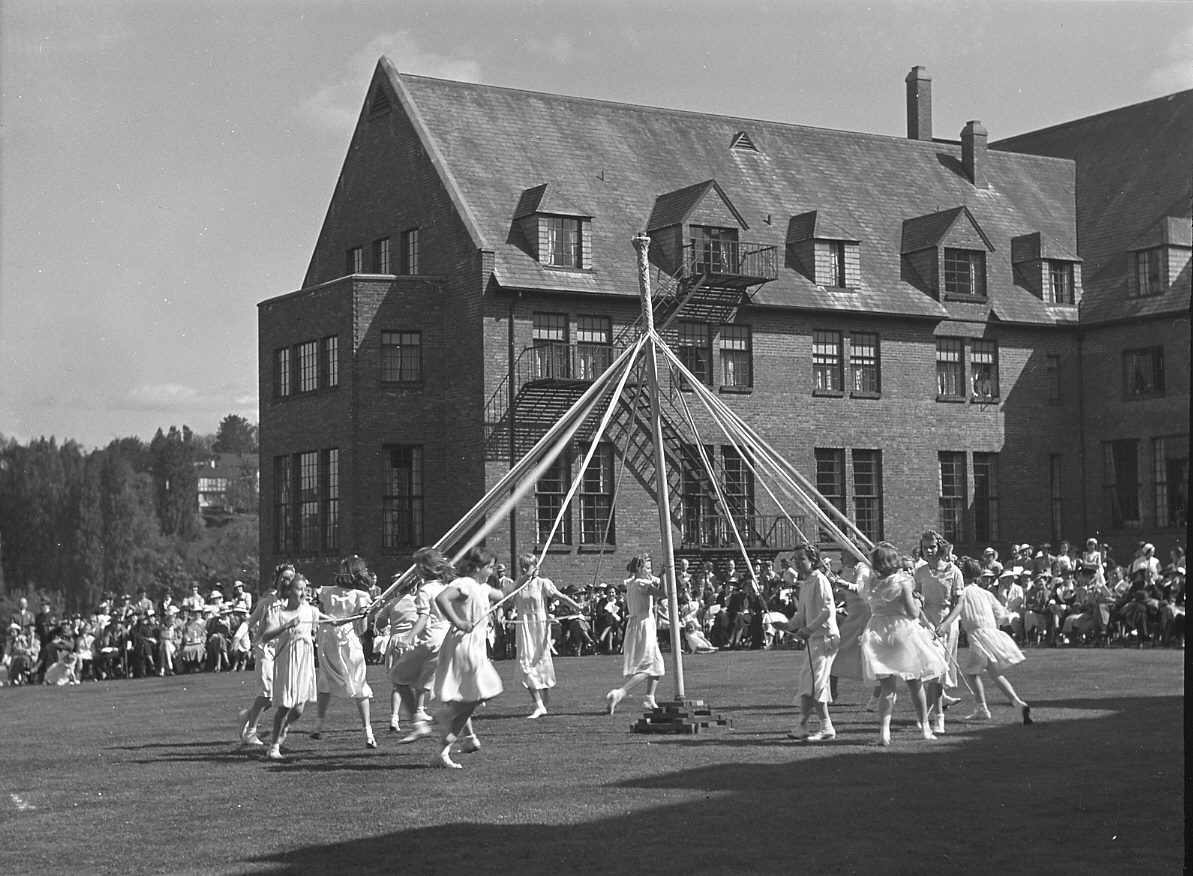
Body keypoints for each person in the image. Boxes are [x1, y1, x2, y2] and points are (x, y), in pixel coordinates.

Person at [860, 541, 948, 746]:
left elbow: (871, 607)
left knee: (887, 686)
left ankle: (884, 731)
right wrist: (919, 601)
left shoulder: (871, 583)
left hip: (877, 631)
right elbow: (913, 612)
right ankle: (925, 727)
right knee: (915, 682)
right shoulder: (902, 581)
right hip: (902, 631)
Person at [430, 547, 505, 769]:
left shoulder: (482, 588)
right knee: (486, 690)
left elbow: (504, 593)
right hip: (464, 646)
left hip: (476, 647)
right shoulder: (464, 583)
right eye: (490, 567)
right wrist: (458, 621)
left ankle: (441, 753)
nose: (491, 572)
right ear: (478, 567)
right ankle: (447, 714)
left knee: (471, 701)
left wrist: (525, 577)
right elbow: (441, 598)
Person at [936, 571, 1033, 725]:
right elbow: (1000, 614)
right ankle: (1017, 703)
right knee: (995, 673)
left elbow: (955, 613)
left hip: (978, 636)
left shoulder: (962, 593)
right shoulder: (986, 593)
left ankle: (982, 708)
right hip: (991, 633)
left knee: (970, 672)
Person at [259, 573, 331, 761]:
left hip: (305, 660)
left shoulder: (308, 609)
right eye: (300, 589)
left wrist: (353, 617)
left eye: (306, 589)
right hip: (287, 661)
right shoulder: (279, 614)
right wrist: (286, 626)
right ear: (290, 591)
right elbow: (265, 636)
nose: (304, 593)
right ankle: (273, 746)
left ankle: (283, 727)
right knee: (284, 706)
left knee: (298, 710)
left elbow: (328, 619)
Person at [505, 554, 586, 719]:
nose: (526, 570)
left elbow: (560, 597)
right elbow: (505, 600)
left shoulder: (543, 584)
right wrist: (501, 615)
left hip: (539, 626)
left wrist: (576, 606)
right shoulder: (518, 585)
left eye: (530, 566)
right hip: (524, 627)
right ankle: (539, 705)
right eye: (524, 566)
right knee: (525, 664)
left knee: (540, 663)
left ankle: (545, 692)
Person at [311, 556, 377, 749]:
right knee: (358, 681)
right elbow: (362, 629)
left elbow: (324, 616)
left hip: (328, 639)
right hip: (346, 640)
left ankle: (319, 724)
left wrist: (363, 613)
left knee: (326, 679)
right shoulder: (358, 595)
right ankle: (368, 732)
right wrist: (364, 615)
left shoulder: (329, 592)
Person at [395, 548, 455, 744]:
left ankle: (418, 723)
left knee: (397, 677)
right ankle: (464, 734)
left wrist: (408, 637)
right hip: (448, 639)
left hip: (432, 640)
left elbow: (424, 617)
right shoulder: (446, 586)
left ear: (423, 568)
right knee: (439, 687)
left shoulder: (425, 589)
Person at [785, 544, 840, 742]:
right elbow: (801, 615)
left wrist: (810, 629)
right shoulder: (806, 583)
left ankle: (825, 727)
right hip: (815, 639)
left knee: (816, 683)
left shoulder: (820, 580)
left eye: (802, 558)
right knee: (808, 681)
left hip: (826, 638)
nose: (798, 563)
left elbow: (827, 610)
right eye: (796, 559)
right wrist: (786, 625)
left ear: (812, 560)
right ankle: (803, 725)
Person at [913, 530, 964, 734]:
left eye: (932, 547)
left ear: (940, 547)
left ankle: (938, 718)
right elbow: (916, 593)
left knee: (939, 673)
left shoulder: (954, 572)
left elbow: (959, 603)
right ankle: (929, 714)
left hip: (947, 623)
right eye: (925, 548)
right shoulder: (921, 571)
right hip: (926, 622)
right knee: (928, 671)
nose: (929, 551)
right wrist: (918, 600)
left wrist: (945, 625)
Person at [606, 554, 667, 715]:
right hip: (643, 624)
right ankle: (620, 693)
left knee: (657, 665)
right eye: (647, 568)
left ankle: (649, 698)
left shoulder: (633, 582)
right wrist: (666, 574)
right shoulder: (641, 584)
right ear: (639, 569)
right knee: (646, 666)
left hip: (638, 623)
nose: (650, 571)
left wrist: (658, 575)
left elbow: (655, 581)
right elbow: (664, 594)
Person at [238, 564, 291, 747]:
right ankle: (250, 732)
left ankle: (247, 715)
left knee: (277, 698)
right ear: (276, 580)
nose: (287, 581)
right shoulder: (267, 602)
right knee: (267, 694)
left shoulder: (295, 603)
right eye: (284, 577)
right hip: (265, 651)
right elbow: (250, 622)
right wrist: (237, 637)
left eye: (291, 578)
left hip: (283, 653)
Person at [830, 545, 882, 710]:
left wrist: (843, 584)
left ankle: (877, 696)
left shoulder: (863, 569)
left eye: (844, 551)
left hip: (866, 617)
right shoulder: (846, 570)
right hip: (853, 617)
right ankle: (831, 692)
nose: (840, 555)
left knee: (873, 656)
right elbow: (844, 595)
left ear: (853, 553)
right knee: (836, 651)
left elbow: (861, 590)